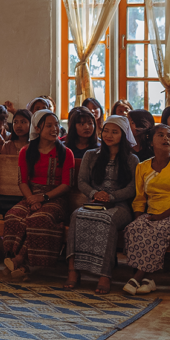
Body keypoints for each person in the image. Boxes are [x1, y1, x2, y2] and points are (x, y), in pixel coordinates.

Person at [66, 115, 138, 294]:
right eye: (106, 130)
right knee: (77, 215)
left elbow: (133, 188)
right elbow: (81, 181)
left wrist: (111, 197)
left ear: (123, 135)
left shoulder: (132, 159)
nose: (109, 135)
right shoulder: (91, 155)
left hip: (119, 206)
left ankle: (105, 275)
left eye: (114, 132)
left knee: (106, 219)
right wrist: (94, 194)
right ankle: (73, 271)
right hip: (94, 202)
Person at [2, 110, 75, 279]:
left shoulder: (66, 153)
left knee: (39, 218)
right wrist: (31, 199)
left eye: (56, 125)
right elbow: (22, 181)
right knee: (13, 216)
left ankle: (19, 258)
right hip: (31, 195)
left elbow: (66, 185)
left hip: (56, 198)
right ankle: (20, 263)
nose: (54, 129)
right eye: (49, 125)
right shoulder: (26, 152)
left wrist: (43, 198)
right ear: (37, 128)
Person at [124, 124, 170, 295]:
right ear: (151, 141)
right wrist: (139, 218)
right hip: (152, 215)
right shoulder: (143, 167)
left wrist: (162, 216)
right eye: (161, 135)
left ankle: (137, 277)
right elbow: (140, 199)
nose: (166, 139)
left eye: (169, 136)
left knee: (157, 231)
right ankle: (149, 279)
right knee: (133, 229)